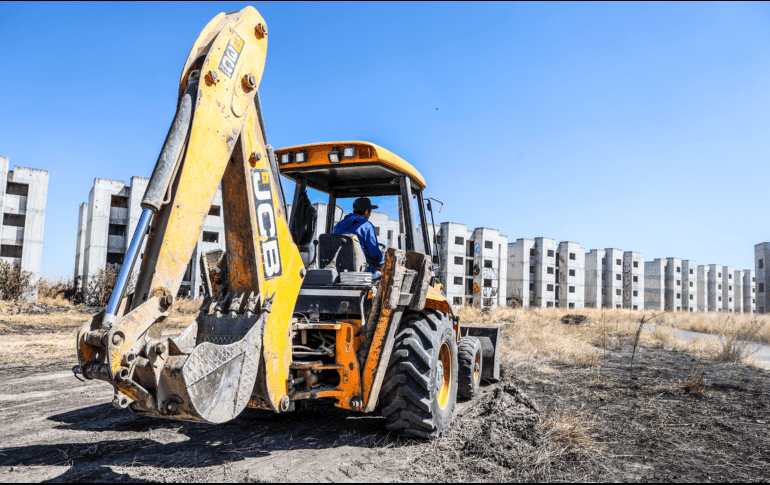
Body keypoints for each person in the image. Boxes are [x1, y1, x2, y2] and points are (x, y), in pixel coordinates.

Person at [333, 197, 385, 274]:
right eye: (370, 212)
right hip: (360, 270)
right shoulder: (366, 226)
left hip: (338, 268)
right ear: (366, 212)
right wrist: (383, 262)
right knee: (380, 274)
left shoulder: (338, 225)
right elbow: (374, 253)